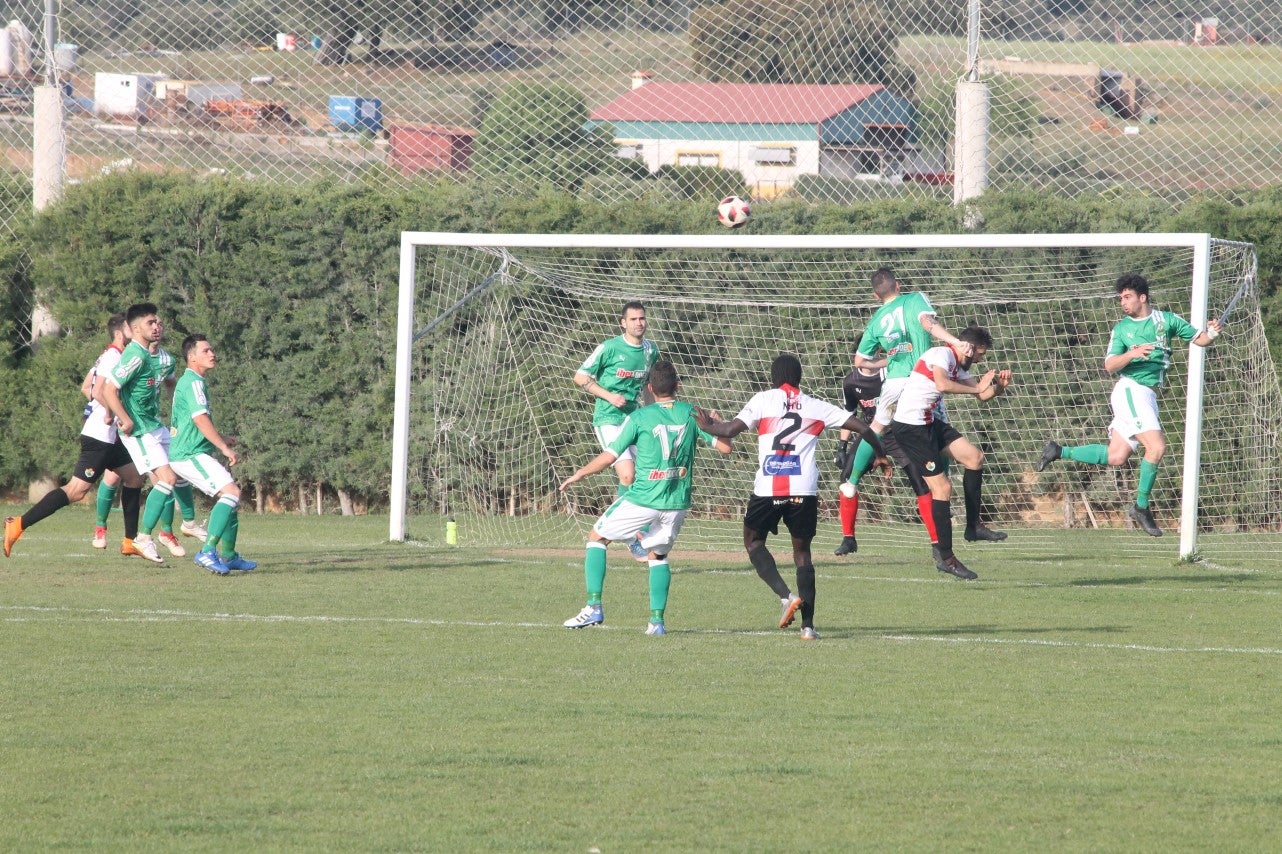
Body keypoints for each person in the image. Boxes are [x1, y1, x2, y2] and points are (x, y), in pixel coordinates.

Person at [694, 353, 887, 640]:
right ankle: (808, 627)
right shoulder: (816, 405)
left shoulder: (762, 400)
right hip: (804, 488)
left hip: (768, 488)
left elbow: (730, 429)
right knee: (802, 554)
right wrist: (880, 455)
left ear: (774, 378)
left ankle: (786, 597)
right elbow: (864, 428)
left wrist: (706, 425)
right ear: (799, 377)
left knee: (753, 541)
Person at [1034, 273, 1223, 536]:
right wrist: (1132, 353)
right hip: (1132, 390)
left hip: (1147, 395)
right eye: (1120, 298)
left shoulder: (1166, 320)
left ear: (1142, 297)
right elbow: (1109, 365)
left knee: (1117, 456)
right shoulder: (1122, 329)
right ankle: (1141, 507)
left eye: (1127, 297)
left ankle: (1059, 451)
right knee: (1156, 448)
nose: (1123, 302)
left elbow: (1200, 339)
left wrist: (1212, 331)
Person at [559, 360, 731, 635]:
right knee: (658, 556)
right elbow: (724, 447)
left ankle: (593, 607)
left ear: (649, 388)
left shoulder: (639, 417)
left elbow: (610, 456)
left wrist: (580, 473)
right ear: (678, 385)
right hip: (677, 503)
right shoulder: (692, 413)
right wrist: (718, 424)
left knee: (597, 538)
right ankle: (656, 623)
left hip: (643, 499)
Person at [839, 268, 974, 547]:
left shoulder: (876, 320)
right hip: (921, 381)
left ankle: (851, 481)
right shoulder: (915, 299)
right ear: (898, 285)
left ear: (876, 295)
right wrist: (954, 341)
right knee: (937, 431)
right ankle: (941, 491)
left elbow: (859, 361)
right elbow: (927, 323)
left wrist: (887, 361)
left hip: (895, 381)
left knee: (876, 426)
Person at [4, 315, 148, 560]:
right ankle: (18, 524)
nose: (134, 330)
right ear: (119, 332)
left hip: (110, 437)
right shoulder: (113, 356)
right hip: (100, 437)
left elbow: (86, 387)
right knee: (76, 491)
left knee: (134, 478)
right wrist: (115, 414)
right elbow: (101, 390)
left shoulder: (111, 355)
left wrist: (109, 413)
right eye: (129, 327)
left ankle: (129, 541)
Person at [892, 325, 1012, 580]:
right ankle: (946, 557)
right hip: (910, 427)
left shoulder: (959, 365)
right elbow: (943, 385)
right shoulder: (941, 354)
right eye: (980, 353)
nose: (981, 359)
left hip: (927, 422)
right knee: (942, 489)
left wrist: (998, 387)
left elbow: (982, 396)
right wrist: (977, 388)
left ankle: (973, 527)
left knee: (975, 458)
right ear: (969, 348)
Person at [574, 301, 661, 560]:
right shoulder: (609, 348)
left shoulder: (650, 350)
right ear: (622, 323)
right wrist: (609, 396)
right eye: (633, 319)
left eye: (642, 318)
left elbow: (648, 386)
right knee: (627, 475)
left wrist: (652, 414)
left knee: (647, 475)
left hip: (634, 420)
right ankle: (629, 535)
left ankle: (637, 531)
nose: (639, 323)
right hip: (609, 419)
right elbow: (580, 377)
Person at [96, 302, 180, 564]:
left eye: (157, 322)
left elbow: (169, 384)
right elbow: (108, 390)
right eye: (150, 323)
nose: (156, 327)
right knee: (166, 479)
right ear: (134, 329)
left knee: (177, 474)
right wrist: (125, 419)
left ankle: (183, 525)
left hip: (154, 426)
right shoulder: (134, 355)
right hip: (140, 430)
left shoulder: (156, 356)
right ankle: (142, 537)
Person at [168, 334, 256, 574]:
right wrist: (224, 447)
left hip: (190, 450)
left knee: (230, 500)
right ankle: (207, 552)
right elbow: (199, 418)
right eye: (206, 350)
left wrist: (220, 438)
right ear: (192, 357)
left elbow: (192, 421)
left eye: (212, 350)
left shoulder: (190, 381)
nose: (212, 354)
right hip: (188, 453)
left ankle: (228, 555)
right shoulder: (194, 382)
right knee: (231, 493)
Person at [832, 365, 939, 557]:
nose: (869, 357)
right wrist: (842, 446)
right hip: (872, 435)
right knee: (846, 479)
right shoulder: (850, 381)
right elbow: (849, 415)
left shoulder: (892, 374)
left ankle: (937, 543)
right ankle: (848, 539)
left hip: (899, 434)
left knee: (921, 484)